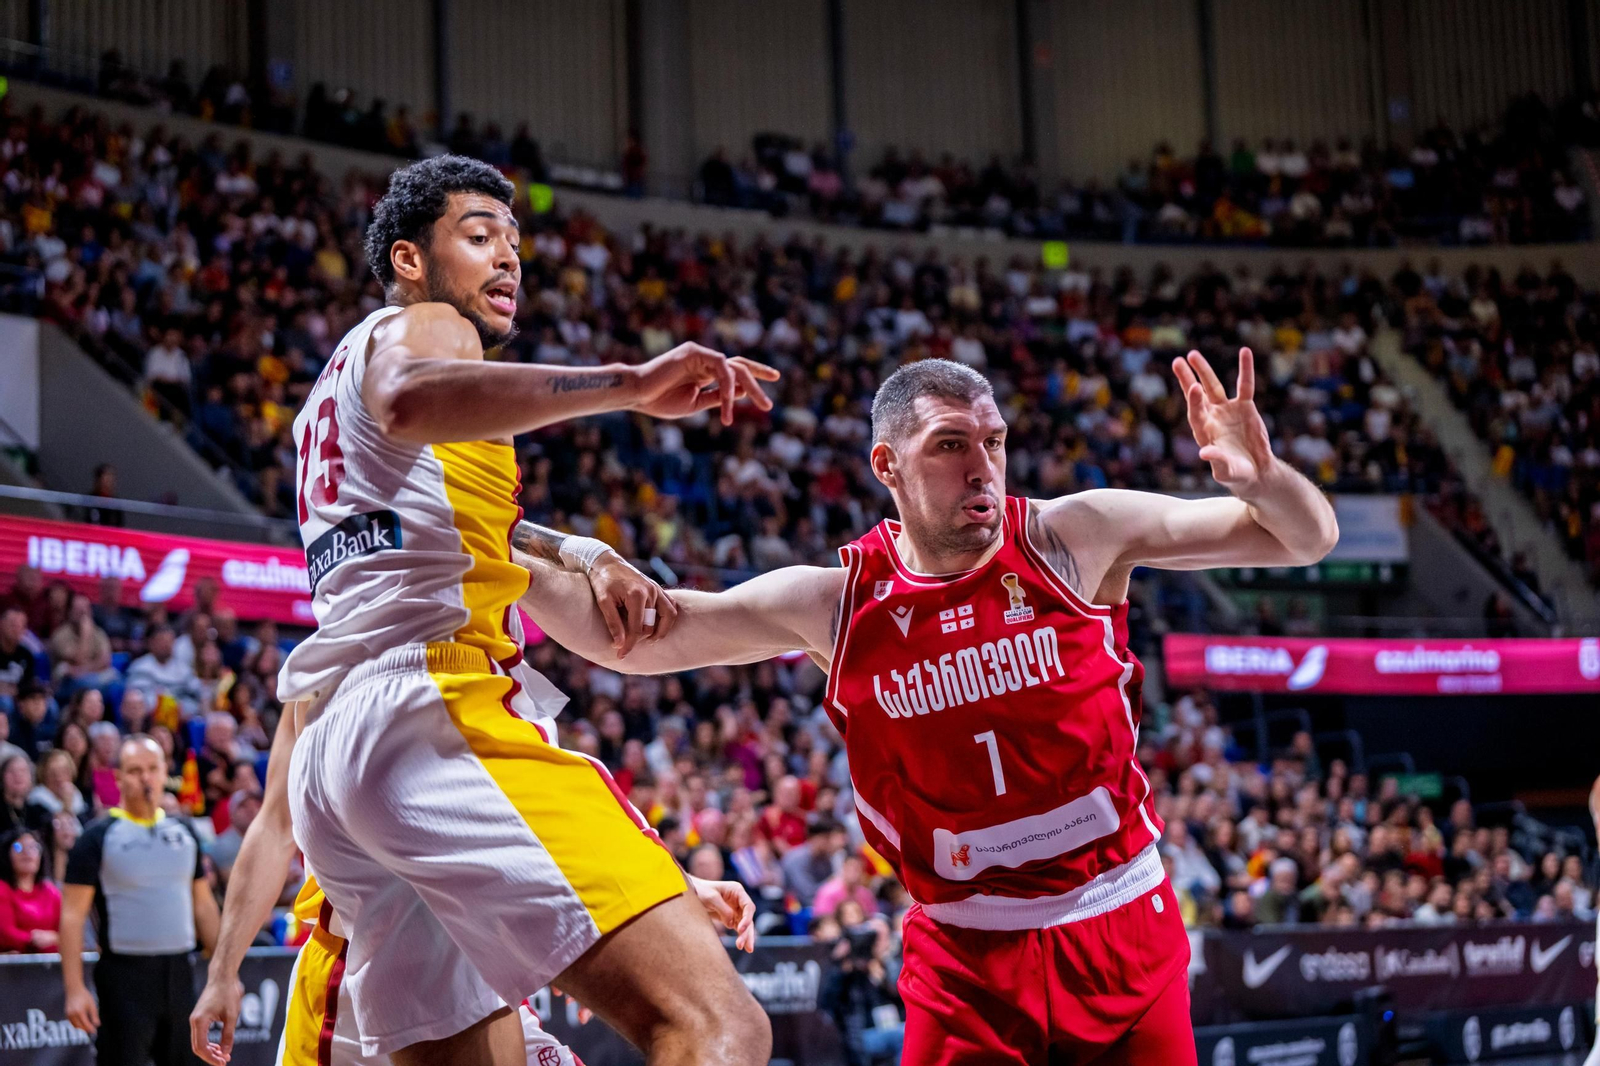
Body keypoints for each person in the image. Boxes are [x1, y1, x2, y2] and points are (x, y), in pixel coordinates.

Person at [521, 353, 1338, 1064]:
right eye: (949, 445)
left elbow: (1302, 539)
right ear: (888, 465)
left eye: (994, 442)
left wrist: (1265, 479)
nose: (982, 466)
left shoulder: (1074, 538)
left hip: (1119, 920)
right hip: (965, 953)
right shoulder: (835, 604)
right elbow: (635, 636)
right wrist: (529, 541)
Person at [276, 155, 778, 1065]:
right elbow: (408, 396)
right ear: (410, 260)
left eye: (515, 244)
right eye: (479, 238)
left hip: (343, 756)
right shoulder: (425, 329)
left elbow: (469, 528)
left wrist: (583, 551)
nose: (507, 260)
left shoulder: (328, 397)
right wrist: (628, 383)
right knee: (721, 1029)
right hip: (434, 711)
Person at [192, 706, 759, 1066]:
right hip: (353, 983)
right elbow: (274, 826)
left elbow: (546, 811)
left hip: (484, 962)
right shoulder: (332, 673)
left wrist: (672, 882)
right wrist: (223, 971)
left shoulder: (490, 659)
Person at [61, 735, 221, 1065]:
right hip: (124, 975)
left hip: (180, 971)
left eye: (152, 768)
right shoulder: (97, 837)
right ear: (118, 777)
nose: (145, 777)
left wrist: (225, 975)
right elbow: (72, 917)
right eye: (134, 770)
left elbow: (204, 905)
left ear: (165, 773)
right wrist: (75, 988)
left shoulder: (185, 834)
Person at [0, 827, 61, 952]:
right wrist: (32, 939)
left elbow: (67, 931)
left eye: (33, 847)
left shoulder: (51, 891)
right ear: (7, 854)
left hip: (52, 965)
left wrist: (56, 938)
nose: (27, 853)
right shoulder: (3, 889)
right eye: (18, 847)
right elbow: (5, 934)